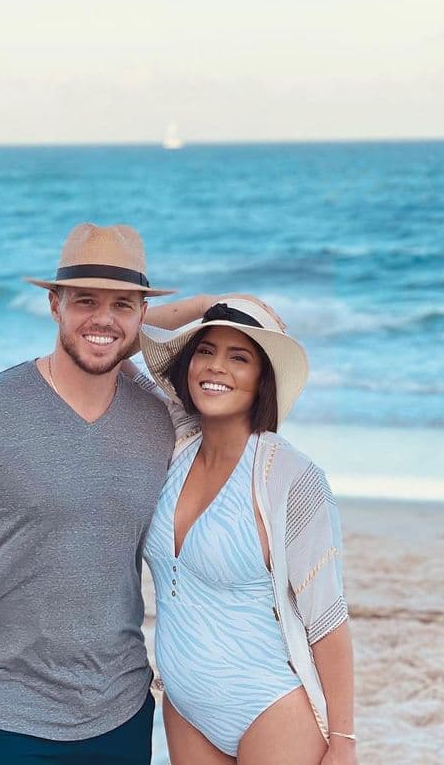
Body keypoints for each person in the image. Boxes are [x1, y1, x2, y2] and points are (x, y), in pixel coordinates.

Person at [0, 223, 228, 765]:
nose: (102, 316)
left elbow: (228, 309)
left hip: (118, 712)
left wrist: (119, 326)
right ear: (52, 304)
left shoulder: (163, 417)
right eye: (83, 300)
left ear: (141, 315)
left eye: (123, 304)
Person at [130, 297, 356, 765]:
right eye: (205, 351)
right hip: (185, 706)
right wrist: (214, 302)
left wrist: (343, 740)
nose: (217, 368)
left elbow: (327, 618)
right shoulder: (172, 443)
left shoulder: (290, 477)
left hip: (270, 707)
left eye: (240, 357)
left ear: (263, 378)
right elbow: (119, 333)